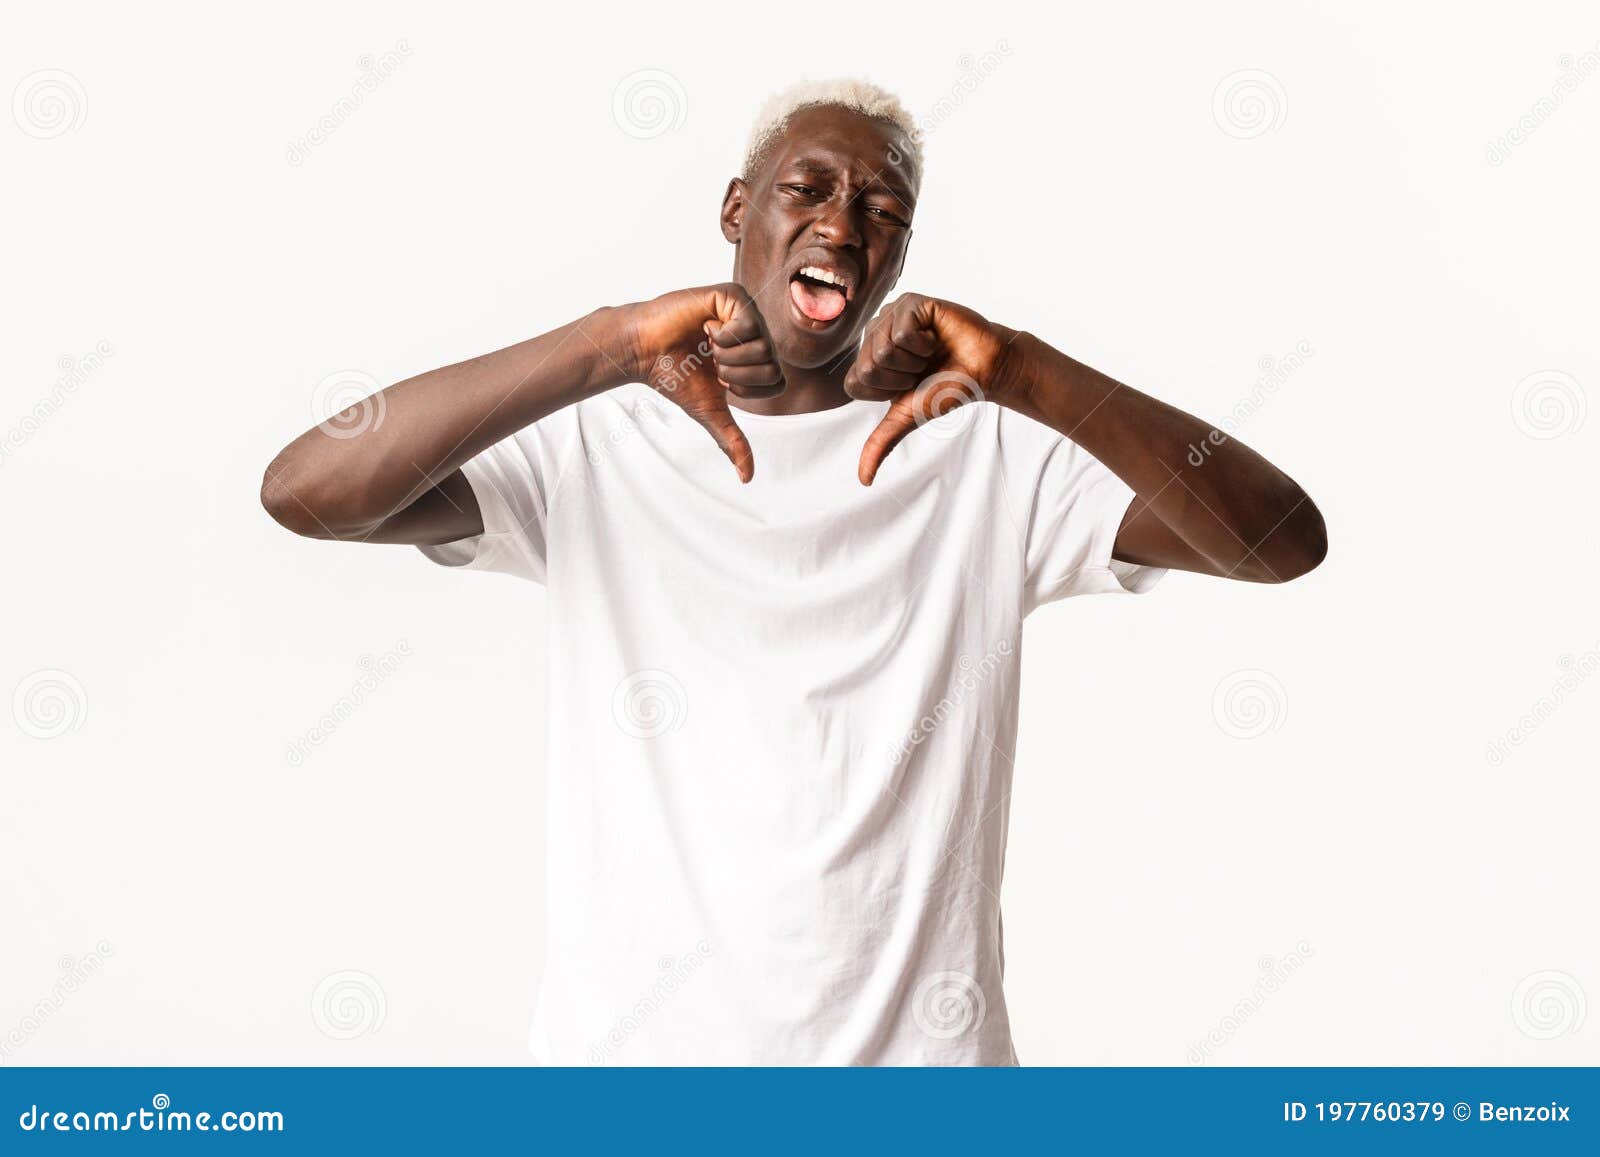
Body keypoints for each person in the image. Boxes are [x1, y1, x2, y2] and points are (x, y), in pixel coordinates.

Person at [261, 78, 1326, 1065]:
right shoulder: (595, 443)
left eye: (882, 210)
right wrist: (608, 343)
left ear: (898, 257)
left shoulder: (988, 448)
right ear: (736, 211)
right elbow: (307, 492)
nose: (841, 222)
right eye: (806, 188)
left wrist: (1020, 367)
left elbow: (1278, 540)